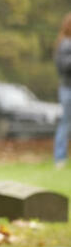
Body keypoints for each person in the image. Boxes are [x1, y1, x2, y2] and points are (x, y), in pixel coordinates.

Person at [56, 12, 71, 168]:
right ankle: (60, 158)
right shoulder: (66, 43)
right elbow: (64, 66)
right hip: (68, 89)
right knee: (66, 124)